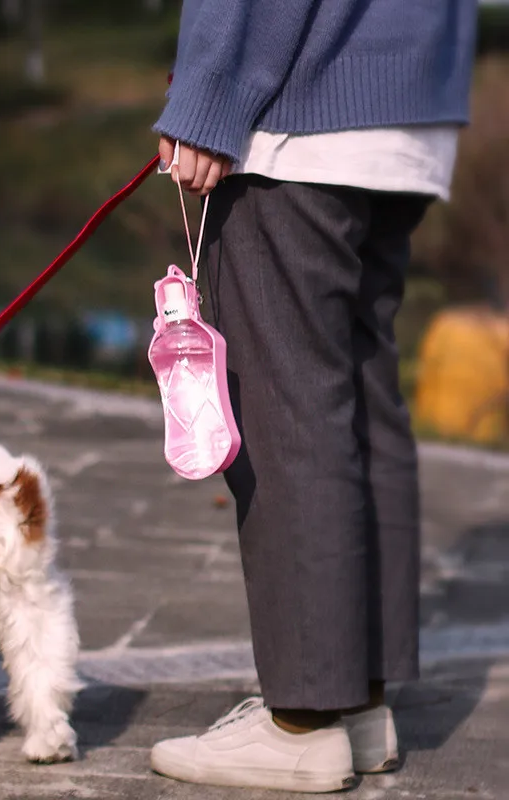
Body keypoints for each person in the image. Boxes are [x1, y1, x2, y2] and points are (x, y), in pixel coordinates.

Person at [151, 0, 478, 793]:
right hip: (409, 98)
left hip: (304, 109)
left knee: (288, 406)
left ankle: (300, 723)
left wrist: (209, 92)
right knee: (359, 400)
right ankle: (358, 704)